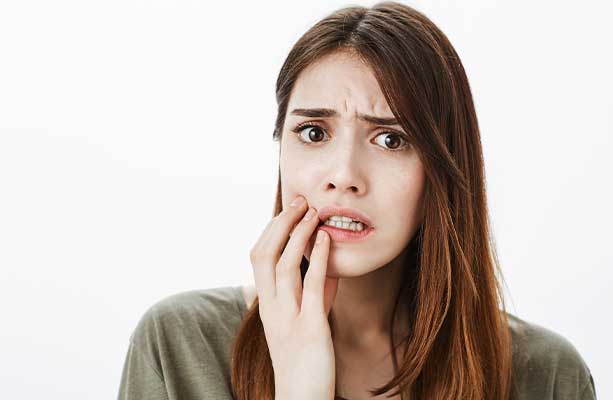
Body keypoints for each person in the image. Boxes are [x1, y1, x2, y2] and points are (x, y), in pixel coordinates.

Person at [117, 2, 596, 399]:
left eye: (391, 140)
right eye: (313, 132)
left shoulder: (547, 377)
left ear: (443, 172)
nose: (343, 177)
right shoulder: (179, 347)